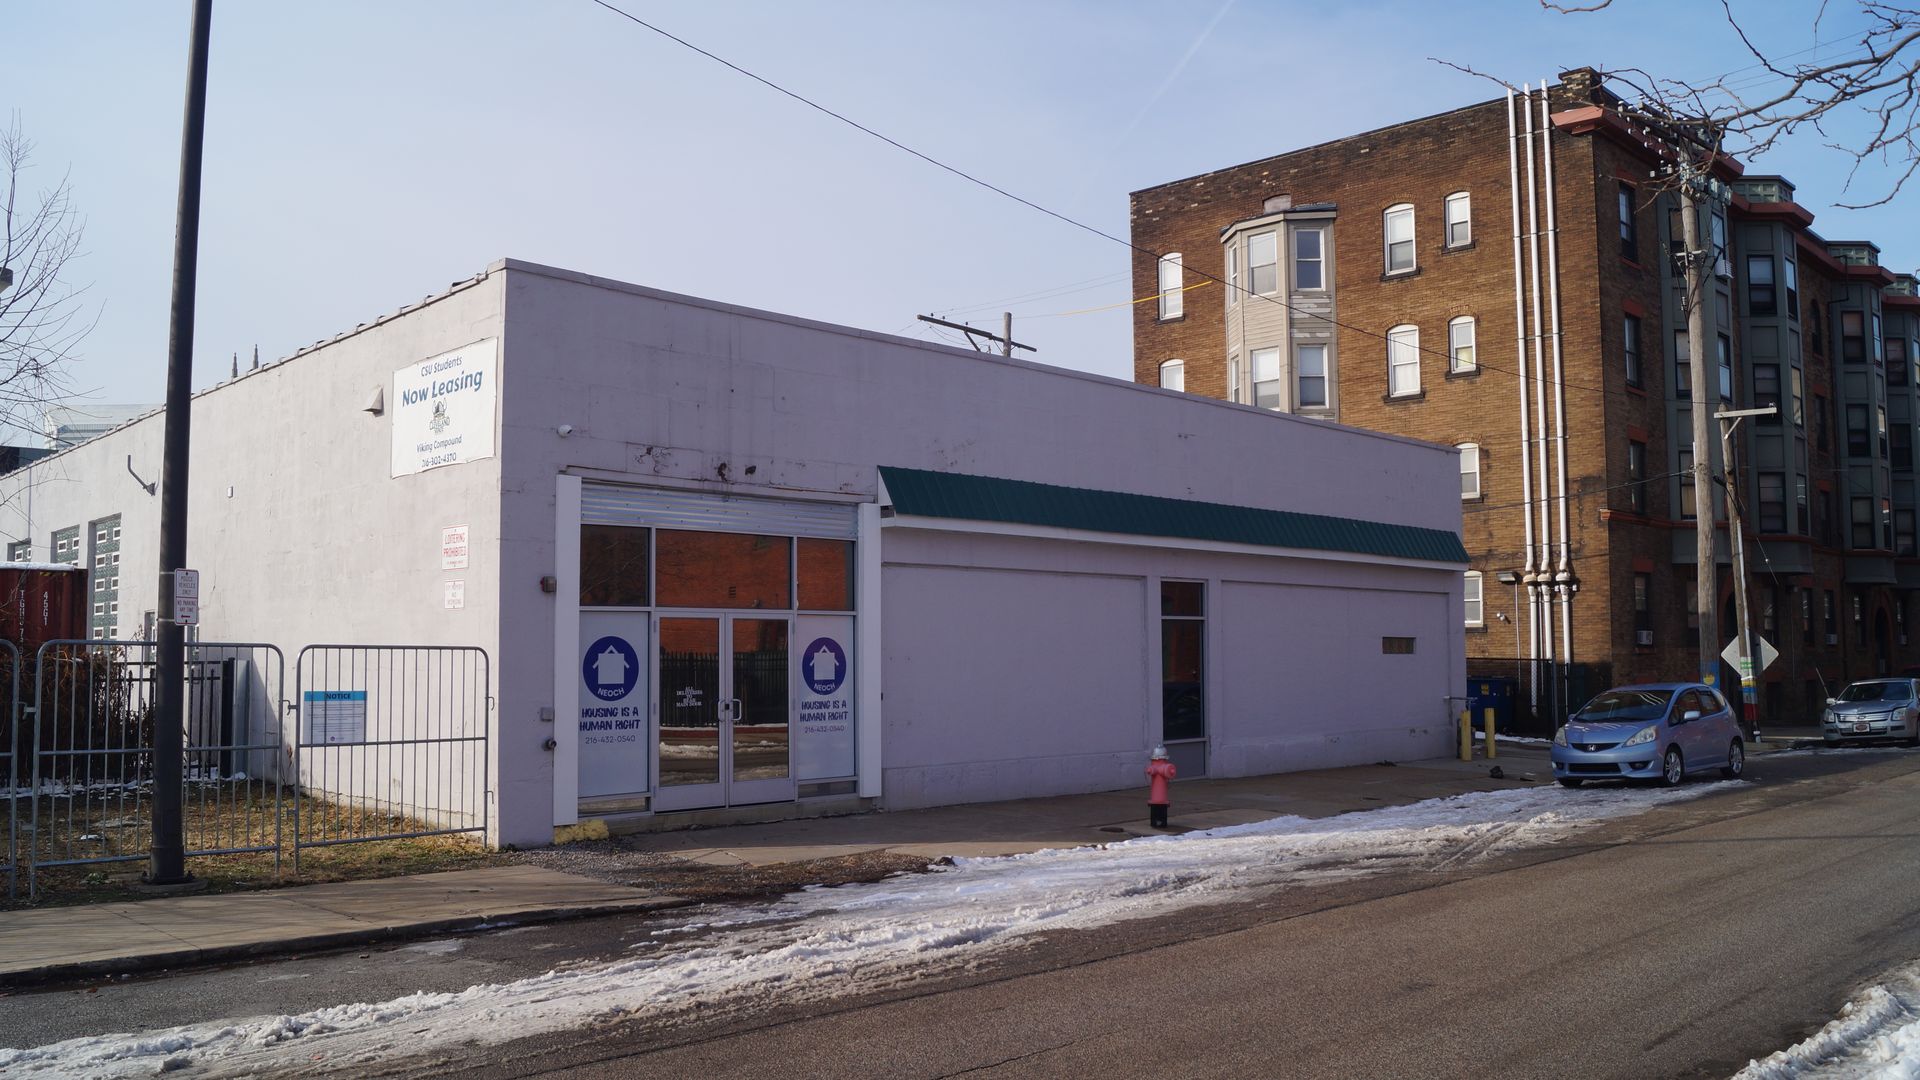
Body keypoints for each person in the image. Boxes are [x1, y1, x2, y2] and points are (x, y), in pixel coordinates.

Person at [1145, 745, 1177, 829]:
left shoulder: (1156, 768)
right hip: (1160, 801)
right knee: (1159, 804)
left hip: (1157, 801)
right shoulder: (1162, 768)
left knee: (1158, 803)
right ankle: (1161, 822)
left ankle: (1157, 822)